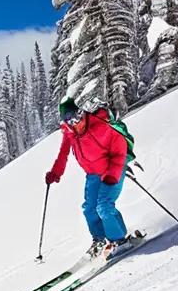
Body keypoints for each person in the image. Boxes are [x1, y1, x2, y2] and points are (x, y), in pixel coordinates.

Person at [45, 96, 134, 259]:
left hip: (112, 168)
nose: (73, 122)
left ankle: (119, 241)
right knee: (89, 209)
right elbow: (63, 153)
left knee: (104, 206)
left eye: (74, 116)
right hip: (93, 173)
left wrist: (112, 175)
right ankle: (100, 240)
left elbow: (120, 148)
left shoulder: (99, 125)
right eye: (67, 119)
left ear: (80, 112)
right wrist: (55, 173)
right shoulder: (69, 131)